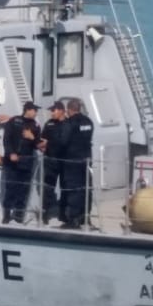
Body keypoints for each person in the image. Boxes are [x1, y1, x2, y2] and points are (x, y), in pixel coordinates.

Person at [1, 101, 42, 224]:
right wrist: (11, 153)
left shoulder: (36, 125)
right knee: (10, 187)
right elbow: (6, 139)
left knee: (23, 189)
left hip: (26, 161)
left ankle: (18, 215)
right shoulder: (13, 121)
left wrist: (32, 138)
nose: (36, 113)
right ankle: (7, 215)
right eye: (35, 110)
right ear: (28, 110)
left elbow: (37, 145)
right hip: (12, 162)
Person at [59, 98, 95, 228]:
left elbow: (63, 141)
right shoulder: (89, 122)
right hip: (86, 159)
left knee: (73, 189)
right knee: (86, 189)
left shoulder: (69, 123)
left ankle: (73, 219)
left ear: (69, 109)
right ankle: (85, 216)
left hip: (72, 160)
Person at [39, 100, 67, 225]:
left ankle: (64, 214)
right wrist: (41, 145)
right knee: (48, 188)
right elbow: (43, 139)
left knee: (65, 188)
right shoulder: (49, 124)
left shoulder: (69, 124)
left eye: (54, 110)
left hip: (65, 161)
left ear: (61, 110)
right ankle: (46, 213)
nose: (51, 113)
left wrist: (49, 143)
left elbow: (66, 142)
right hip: (50, 160)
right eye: (51, 110)